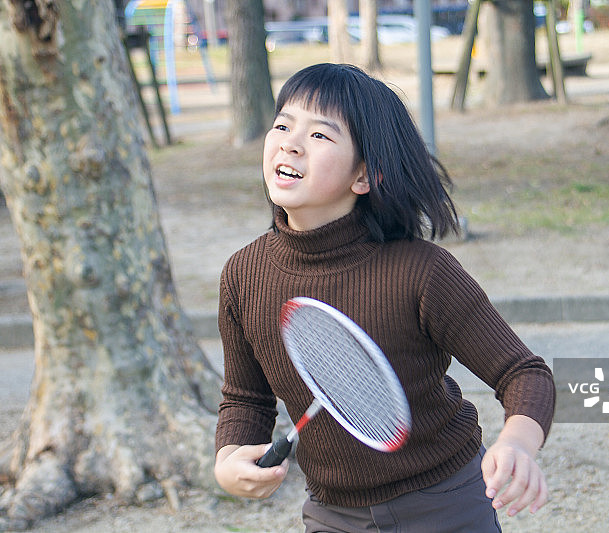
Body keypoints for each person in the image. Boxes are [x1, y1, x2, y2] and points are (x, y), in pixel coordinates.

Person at [214, 63, 555, 532]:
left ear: (364, 176)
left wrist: (517, 443)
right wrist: (228, 460)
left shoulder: (422, 272)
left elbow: (524, 374)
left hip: (447, 504)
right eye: (283, 124)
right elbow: (246, 400)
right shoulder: (243, 276)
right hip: (331, 515)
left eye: (320, 135)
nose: (290, 141)